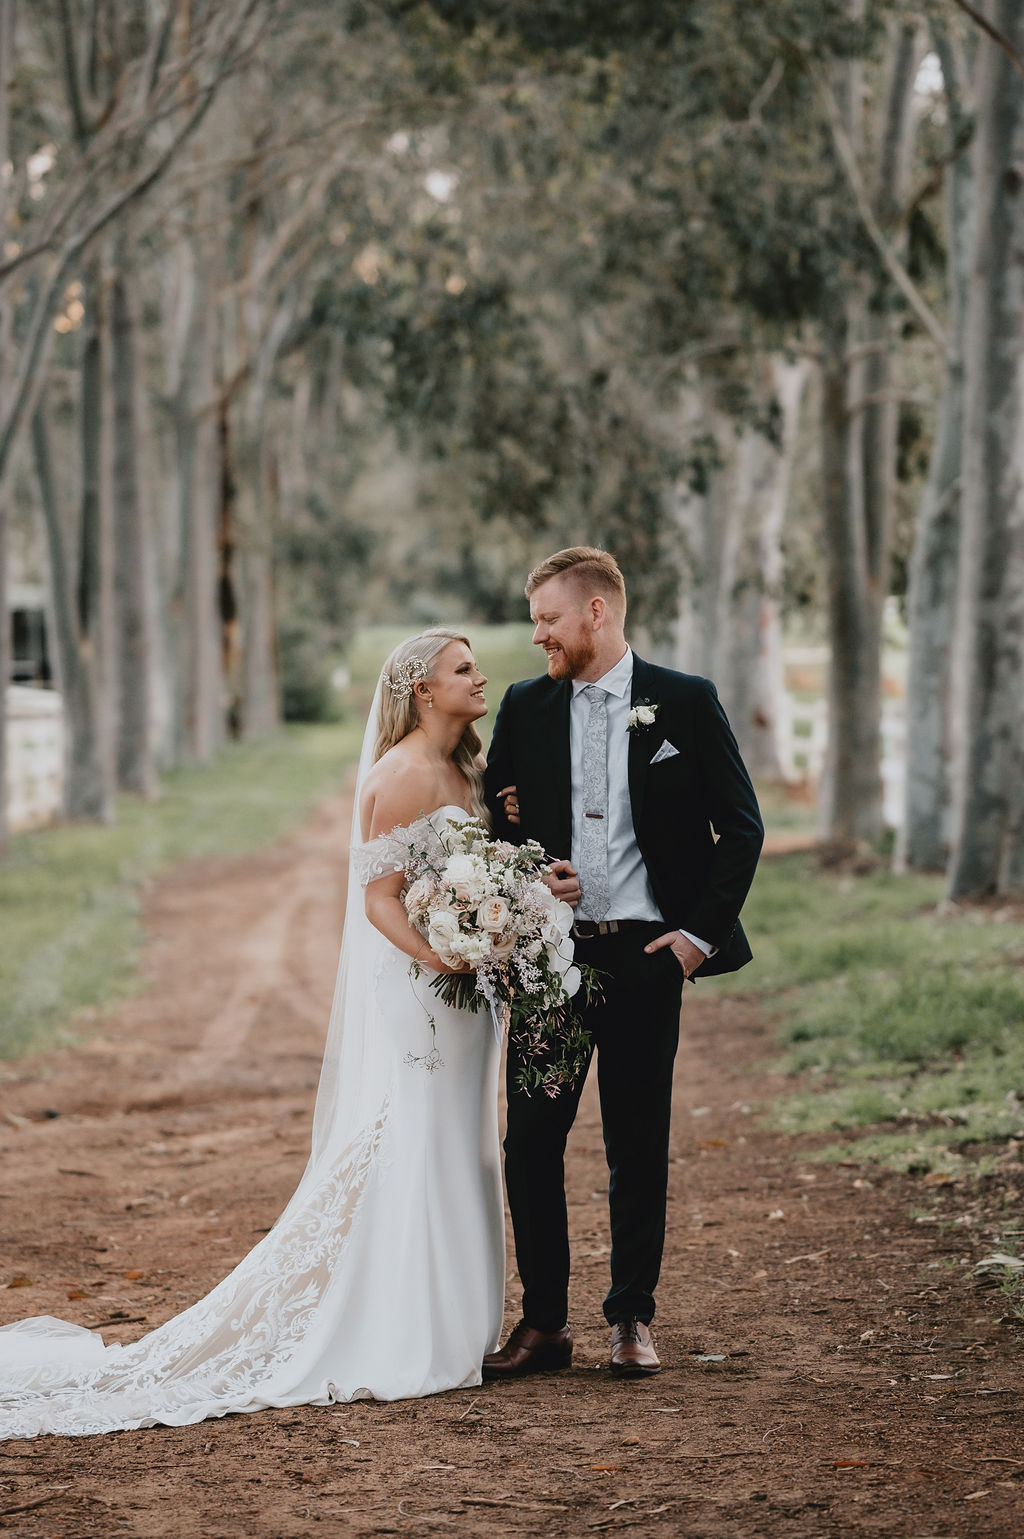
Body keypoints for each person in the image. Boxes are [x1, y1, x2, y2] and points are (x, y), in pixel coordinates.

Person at [0, 629, 505, 1440]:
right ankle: (404, 1325)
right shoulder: (399, 775)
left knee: (459, 1139)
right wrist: (442, 954)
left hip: (467, 986)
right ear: (421, 689)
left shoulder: (468, 768)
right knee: (408, 1136)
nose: (480, 677)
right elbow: (378, 897)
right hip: (424, 985)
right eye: (463, 668)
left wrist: (494, 927)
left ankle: (454, 1314)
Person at [482, 548, 763, 1380]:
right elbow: (493, 820)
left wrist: (694, 940)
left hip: (646, 958)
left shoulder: (684, 701)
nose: (539, 636)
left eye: (549, 619)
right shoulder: (526, 706)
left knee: (636, 1143)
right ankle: (543, 1323)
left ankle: (631, 1318)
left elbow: (741, 828)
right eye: (536, 621)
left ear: (596, 613)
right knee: (531, 1140)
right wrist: (532, 873)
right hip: (552, 963)